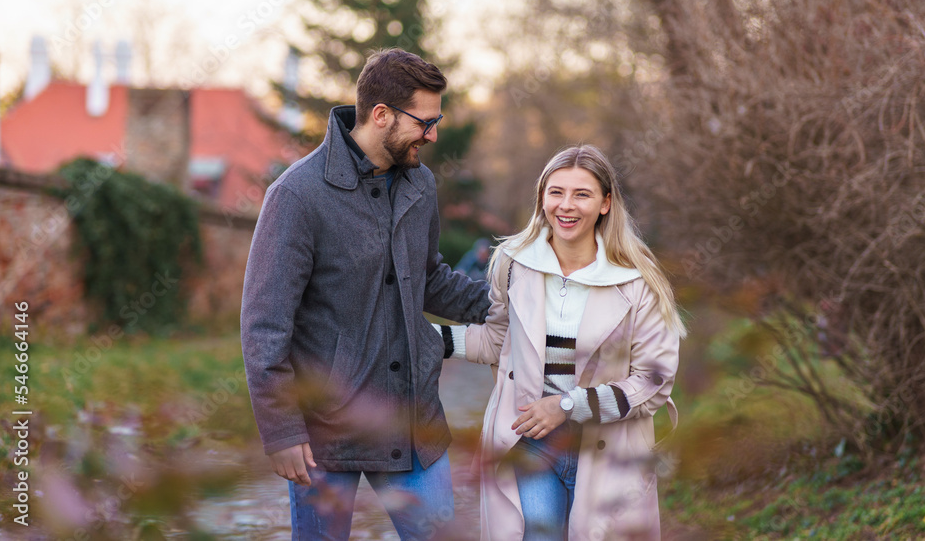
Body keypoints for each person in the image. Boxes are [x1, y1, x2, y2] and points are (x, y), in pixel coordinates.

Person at [241, 48, 491, 540]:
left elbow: (430, 279)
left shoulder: (420, 184)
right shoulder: (297, 196)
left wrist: (509, 302)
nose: (434, 134)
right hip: (325, 434)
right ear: (381, 115)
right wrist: (282, 431)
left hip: (414, 422)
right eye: (426, 120)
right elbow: (265, 324)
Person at [435, 144, 684, 540]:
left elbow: (653, 383)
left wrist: (567, 405)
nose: (566, 206)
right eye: (556, 192)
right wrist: (430, 339)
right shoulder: (514, 263)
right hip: (530, 443)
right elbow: (498, 340)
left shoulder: (638, 281)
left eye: (581, 194)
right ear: (542, 198)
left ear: (605, 203)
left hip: (607, 448)